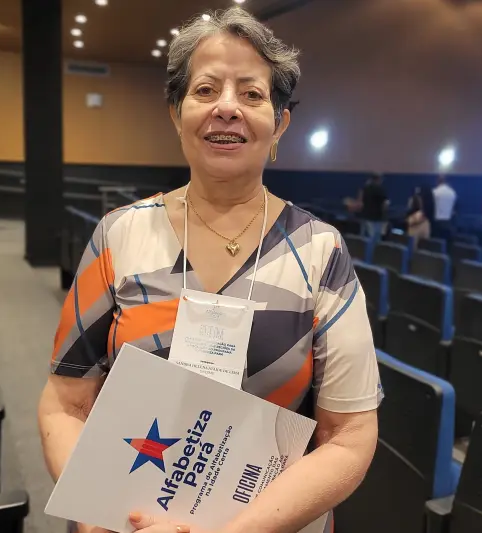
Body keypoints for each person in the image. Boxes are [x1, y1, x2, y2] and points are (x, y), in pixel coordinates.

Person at [38, 7, 381, 533]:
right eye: (205, 89)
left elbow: (348, 437)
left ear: (280, 123)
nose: (227, 108)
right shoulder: (118, 234)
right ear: (177, 113)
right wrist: (98, 515)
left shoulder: (320, 250)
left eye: (252, 94)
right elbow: (65, 404)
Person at [360, 172, 388, 239]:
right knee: (375, 237)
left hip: (366, 215)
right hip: (376, 217)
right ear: (379, 179)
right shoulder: (380, 189)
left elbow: (361, 200)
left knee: (365, 237)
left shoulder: (366, 188)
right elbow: (384, 203)